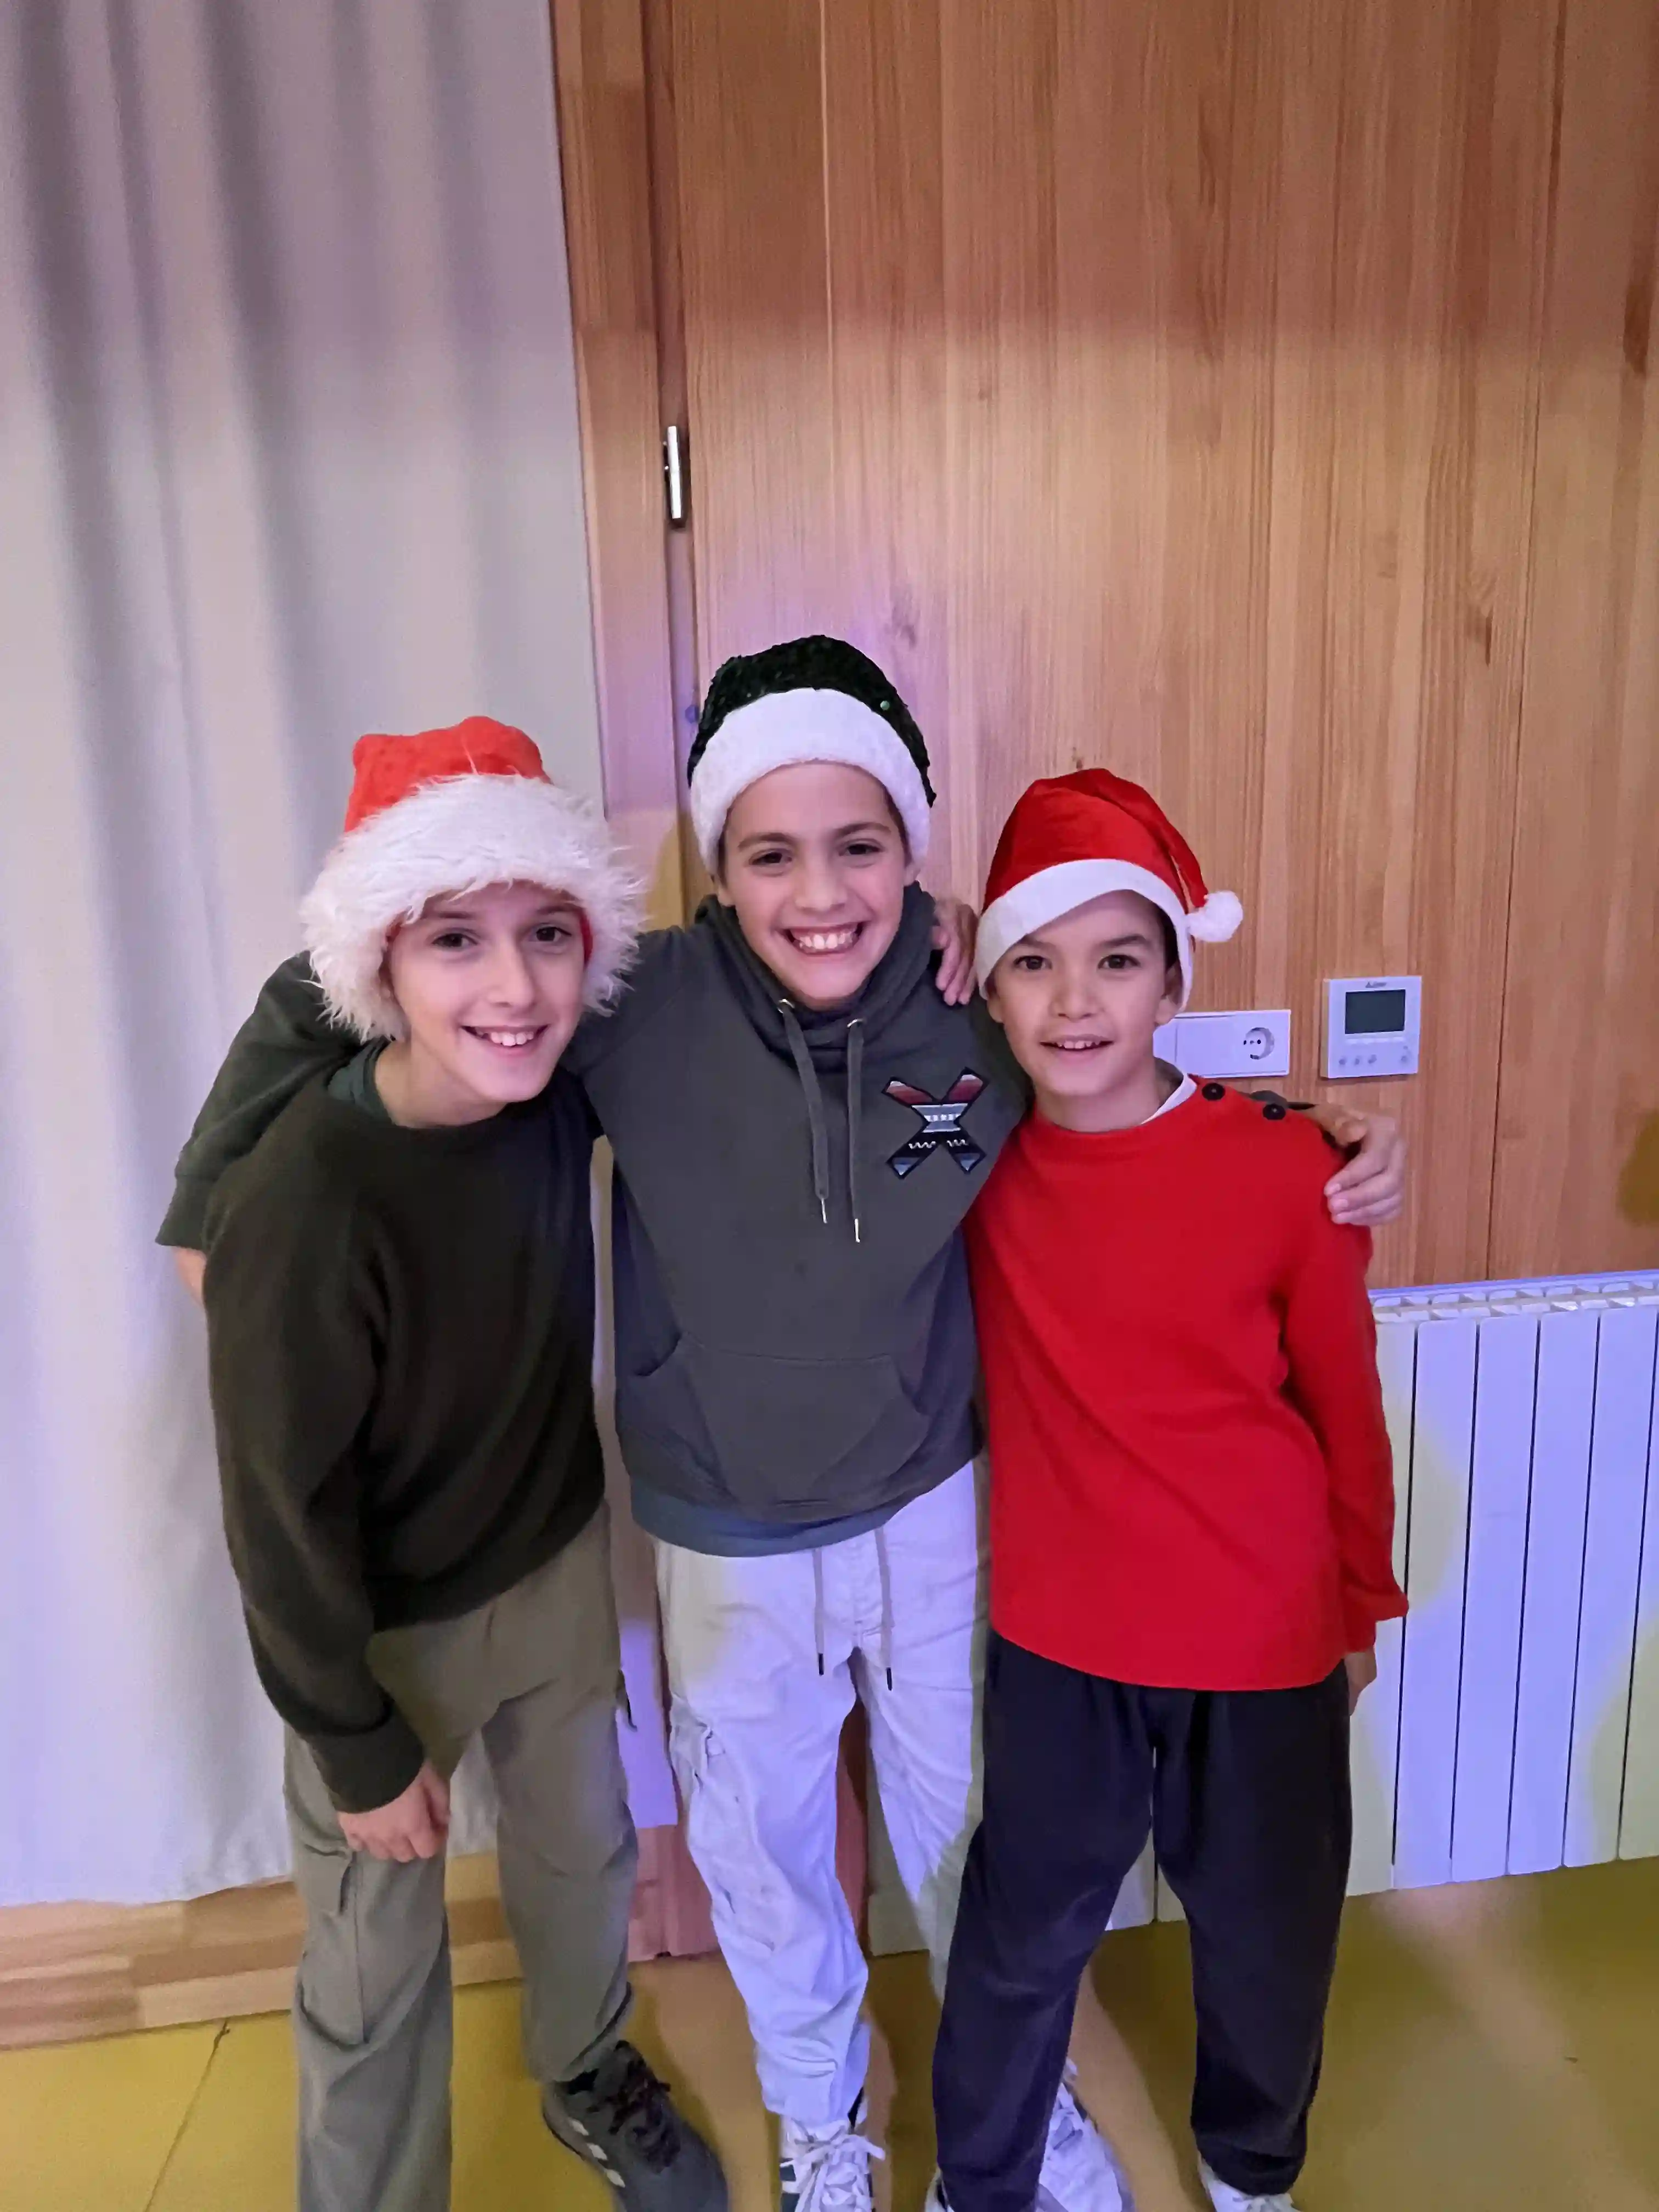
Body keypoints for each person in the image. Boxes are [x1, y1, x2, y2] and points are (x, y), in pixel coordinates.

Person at [161, 645, 1406, 2212]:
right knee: (765, 1860)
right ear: (717, 866)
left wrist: (1311, 1126)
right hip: (725, 1532)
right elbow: (411, 962)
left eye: (860, 847)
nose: (821, 894)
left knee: (973, 1846)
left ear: (915, 861)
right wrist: (220, 1182)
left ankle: (1022, 2110)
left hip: (935, 1505)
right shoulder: (628, 1003)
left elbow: (1126, 1081)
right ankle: (825, 2121)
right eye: (770, 854)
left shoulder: (979, 1012)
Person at [191, 718, 725, 2212]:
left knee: (582, 1855)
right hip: (379, 1629)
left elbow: (751, 968)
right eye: (454, 940)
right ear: (379, 967)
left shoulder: (551, 1082)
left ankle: (586, 2067)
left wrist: (945, 929)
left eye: (547, 934)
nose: (514, 987)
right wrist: (354, 1742)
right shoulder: (304, 1197)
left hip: (547, 1562)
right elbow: (276, 1518)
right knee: (373, 1962)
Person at [929, 770, 1409, 2212]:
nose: (1076, 1000)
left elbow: (1345, 1408)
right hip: (1063, 1641)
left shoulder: (1288, 1167)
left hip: (1264, 1636)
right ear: (990, 991)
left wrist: (1360, 1606)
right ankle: (984, 2180)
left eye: (1118, 960)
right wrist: (927, 926)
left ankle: (1253, 2170)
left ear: (1172, 983)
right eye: (1034, 962)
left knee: (1269, 1938)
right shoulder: (968, 1166)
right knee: (1021, 1936)